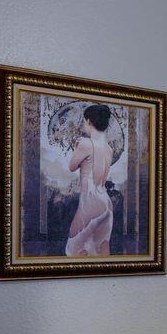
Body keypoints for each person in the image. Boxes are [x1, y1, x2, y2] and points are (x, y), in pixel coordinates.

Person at [65, 104, 114, 256]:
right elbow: (103, 178)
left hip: (90, 201)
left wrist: (76, 146)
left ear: (89, 121)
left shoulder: (85, 144)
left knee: (74, 249)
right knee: (101, 247)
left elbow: (72, 167)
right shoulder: (109, 149)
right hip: (105, 201)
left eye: (84, 122)